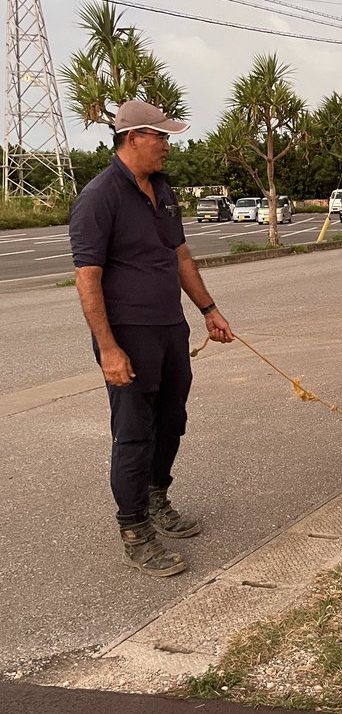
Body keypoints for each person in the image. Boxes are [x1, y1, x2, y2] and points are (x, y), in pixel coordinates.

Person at [69, 100, 234, 578]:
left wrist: (208, 310)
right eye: (160, 136)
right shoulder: (99, 197)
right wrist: (108, 348)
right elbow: (87, 278)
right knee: (134, 433)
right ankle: (135, 530)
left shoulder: (162, 190)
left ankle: (157, 497)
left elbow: (180, 255)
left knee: (171, 421)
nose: (167, 145)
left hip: (169, 329)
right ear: (133, 137)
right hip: (129, 335)